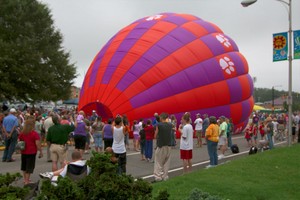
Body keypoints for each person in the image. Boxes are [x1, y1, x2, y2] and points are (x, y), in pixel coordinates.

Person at [19, 117, 43, 185]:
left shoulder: (22, 133)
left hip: (24, 151)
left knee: (24, 166)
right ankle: (27, 181)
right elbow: (37, 144)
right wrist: (40, 151)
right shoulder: (34, 134)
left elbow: (20, 140)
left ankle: (25, 179)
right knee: (29, 167)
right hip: (31, 152)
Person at [153, 112, 173, 182]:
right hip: (168, 145)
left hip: (161, 145)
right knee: (166, 161)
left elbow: (155, 135)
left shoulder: (159, 125)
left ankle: (158, 176)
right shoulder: (170, 125)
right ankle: (165, 176)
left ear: (161, 118)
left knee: (158, 161)